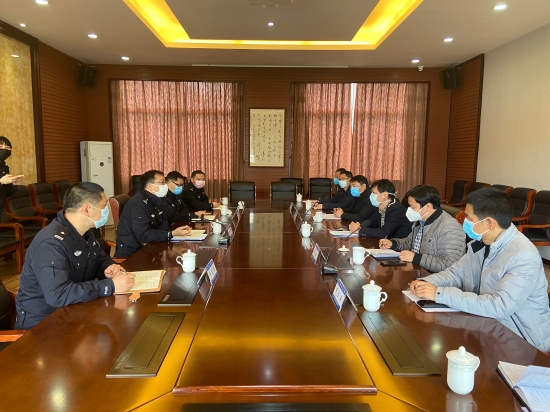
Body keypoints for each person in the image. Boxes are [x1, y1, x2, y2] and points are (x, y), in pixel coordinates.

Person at [410, 187, 550, 352]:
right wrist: (425, 282)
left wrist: (439, 294)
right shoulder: (481, 244)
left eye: (469, 218)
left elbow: (500, 306)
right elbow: (456, 273)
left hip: (522, 341)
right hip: (486, 326)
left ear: (489, 223)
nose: (465, 222)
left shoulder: (523, 255)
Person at [14, 182, 136, 329]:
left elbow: (98, 257)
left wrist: (108, 267)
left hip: (75, 308)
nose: (106, 211)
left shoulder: (84, 230)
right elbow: (58, 295)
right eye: (104, 206)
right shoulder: (51, 243)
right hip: (45, 322)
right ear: (87, 209)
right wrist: (110, 286)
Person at [380, 184, 465, 273]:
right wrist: (393, 243)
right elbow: (410, 242)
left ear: (428, 207)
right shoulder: (421, 219)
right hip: (416, 270)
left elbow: (449, 264)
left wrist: (416, 258)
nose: (409, 210)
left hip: (434, 277)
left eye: (413, 207)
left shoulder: (450, 227)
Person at [115, 170, 192, 257]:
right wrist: (171, 234)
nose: (165, 185)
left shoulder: (156, 199)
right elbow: (143, 235)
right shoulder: (138, 204)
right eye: (162, 182)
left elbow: (163, 222)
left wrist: (167, 235)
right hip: (133, 253)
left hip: (151, 246)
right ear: (150, 186)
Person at [0, 136, 23, 214]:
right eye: (0, 146)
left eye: (7, 147)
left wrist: (13, 185)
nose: (4, 150)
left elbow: (5, 193)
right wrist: (1, 182)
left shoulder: (4, 167)